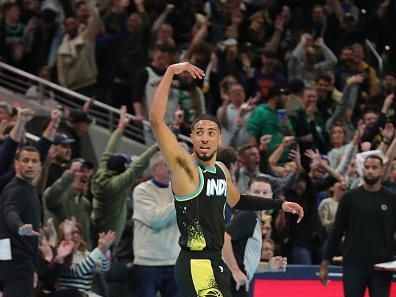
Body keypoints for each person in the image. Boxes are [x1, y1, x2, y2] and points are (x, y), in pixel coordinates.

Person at [149, 62, 304, 297]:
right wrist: (171, 71)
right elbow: (156, 121)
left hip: (217, 260)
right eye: (199, 132)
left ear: (219, 138)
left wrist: (279, 204)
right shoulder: (185, 168)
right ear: (191, 137)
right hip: (195, 261)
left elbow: (238, 200)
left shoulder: (221, 169)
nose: (204, 138)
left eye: (211, 133)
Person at [320, 155, 396, 297]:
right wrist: (325, 261)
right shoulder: (350, 197)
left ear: (382, 170)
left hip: (383, 265)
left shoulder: (392, 199)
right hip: (354, 264)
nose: (370, 171)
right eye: (366, 167)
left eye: (374, 168)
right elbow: (337, 231)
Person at [222, 176, 287, 296]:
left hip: (236, 282)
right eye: (257, 192)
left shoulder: (254, 220)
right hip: (231, 283)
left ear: (271, 196)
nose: (261, 196)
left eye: (265, 192)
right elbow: (224, 238)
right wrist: (236, 272)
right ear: (248, 194)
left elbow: (244, 262)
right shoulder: (248, 215)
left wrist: (268, 266)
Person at [132, 152, 180, 297]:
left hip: (175, 261)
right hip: (148, 262)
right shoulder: (141, 191)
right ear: (154, 169)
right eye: (166, 165)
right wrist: (180, 201)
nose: (171, 168)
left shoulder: (179, 189)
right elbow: (155, 219)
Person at [0, 146, 42, 297]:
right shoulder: (15, 190)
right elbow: (9, 211)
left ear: (39, 165)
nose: (30, 165)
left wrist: (33, 268)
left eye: (34, 161)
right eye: (25, 160)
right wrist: (19, 227)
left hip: (20, 263)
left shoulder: (29, 190)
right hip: (16, 264)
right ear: (16, 164)